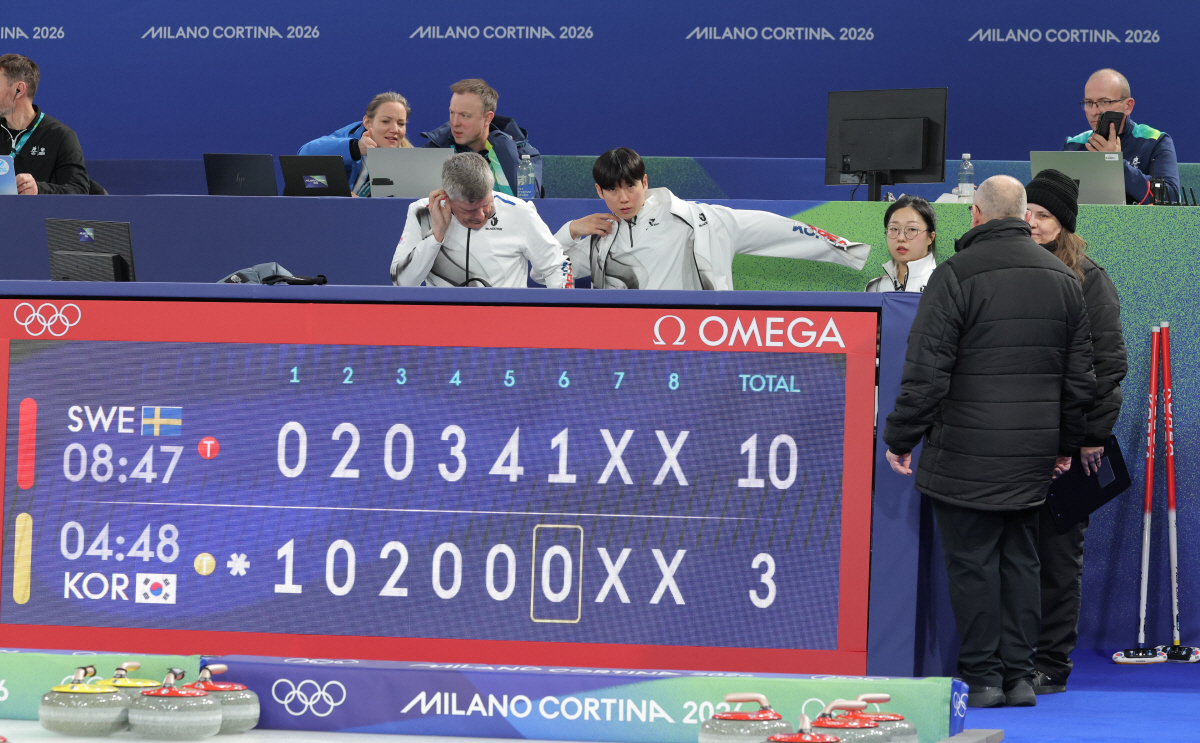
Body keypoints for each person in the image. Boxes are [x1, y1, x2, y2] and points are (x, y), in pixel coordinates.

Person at [883, 175, 1095, 709]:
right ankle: (1020, 678)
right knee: (1022, 561)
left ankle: (982, 679)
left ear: (975, 215)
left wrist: (902, 436)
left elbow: (926, 371)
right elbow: (1080, 380)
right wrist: (1065, 446)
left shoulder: (955, 275)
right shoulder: (1064, 279)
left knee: (973, 564)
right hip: (1032, 454)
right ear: (1024, 217)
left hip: (964, 454)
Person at [1023, 168, 1127, 695]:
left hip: (1073, 443)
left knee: (1059, 557)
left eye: (1044, 215)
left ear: (1064, 223)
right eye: (1027, 212)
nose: (1033, 223)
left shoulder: (1090, 279)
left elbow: (1108, 366)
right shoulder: (1013, 270)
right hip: (1018, 440)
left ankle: (1051, 663)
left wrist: (1090, 436)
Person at [554, 148, 868, 290]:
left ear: (645, 182)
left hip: (688, 342)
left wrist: (843, 249)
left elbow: (773, 229)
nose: (623, 198)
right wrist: (570, 230)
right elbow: (550, 272)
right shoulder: (601, 236)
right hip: (625, 351)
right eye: (612, 189)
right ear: (599, 191)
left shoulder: (696, 220)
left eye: (630, 186)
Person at [390, 152, 570, 288]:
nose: (480, 216)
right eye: (469, 210)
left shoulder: (520, 211)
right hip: (444, 322)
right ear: (447, 198)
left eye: (486, 204)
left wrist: (560, 313)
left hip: (506, 322)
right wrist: (436, 235)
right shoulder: (421, 212)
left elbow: (557, 266)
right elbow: (402, 283)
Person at [1062, 68, 1179, 204]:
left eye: (1104, 102)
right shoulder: (1074, 145)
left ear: (1128, 106)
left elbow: (1170, 199)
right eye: (1088, 103)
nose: (1094, 111)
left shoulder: (1155, 141)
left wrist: (1116, 164)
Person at [421, 79, 541, 198]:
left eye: (464, 115)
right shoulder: (435, 149)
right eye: (452, 113)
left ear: (487, 118)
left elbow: (531, 203)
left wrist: (505, 152)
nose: (455, 123)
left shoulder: (522, 156)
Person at [0, 54, 89, 195]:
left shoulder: (60, 136)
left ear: (19, 90)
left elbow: (79, 190)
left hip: (39, 209)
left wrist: (39, 189)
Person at [298, 91, 413, 197]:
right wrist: (355, 149)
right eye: (385, 121)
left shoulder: (407, 160)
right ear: (367, 122)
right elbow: (304, 155)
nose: (395, 129)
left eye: (401, 123)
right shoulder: (348, 138)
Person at [865, 195, 937, 292]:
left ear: (930, 237)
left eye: (912, 229)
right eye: (894, 229)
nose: (901, 238)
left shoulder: (943, 285)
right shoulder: (876, 287)